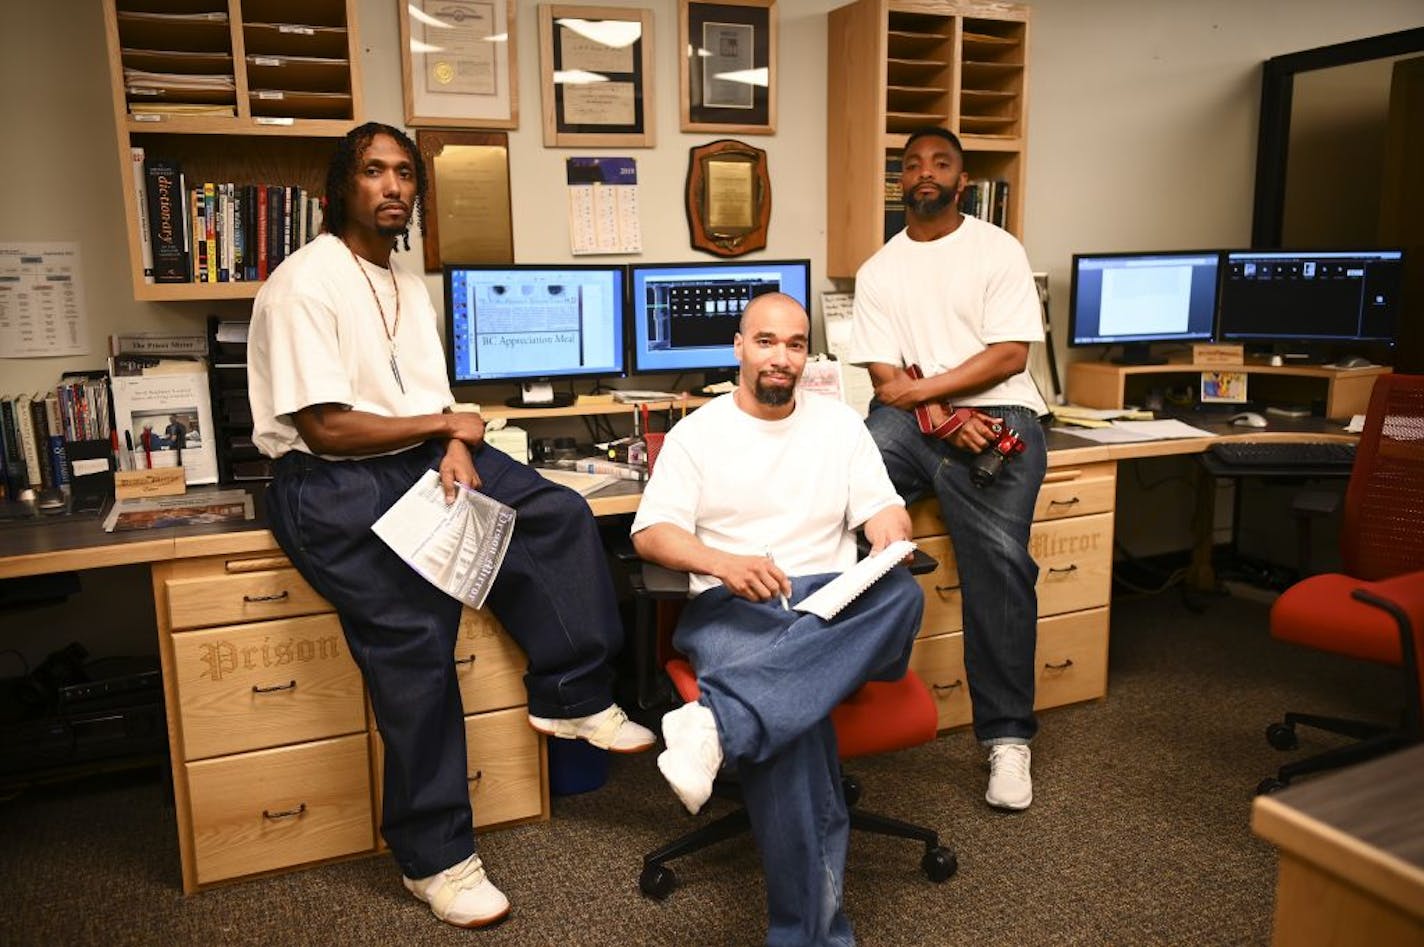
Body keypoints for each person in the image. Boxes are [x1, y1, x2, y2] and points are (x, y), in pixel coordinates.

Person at [247, 121, 655, 929]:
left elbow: (432, 408)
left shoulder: (403, 280)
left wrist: (455, 443)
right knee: (416, 640)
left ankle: (570, 691)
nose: (393, 187)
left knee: (555, 513)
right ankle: (434, 858)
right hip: (329, 481)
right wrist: (448, 428)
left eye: (404, 173)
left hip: (412, 453)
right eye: (373, 171)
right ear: (342, 187)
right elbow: (327, 428)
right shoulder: (304, 284)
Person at [631, 293, 925, 947]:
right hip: (736, 611)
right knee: (792, 728)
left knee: (903, 593)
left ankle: (721, 719)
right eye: (766, 341)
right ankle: (810, 936)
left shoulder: (840, 425)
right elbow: (651, 533)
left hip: (830, 607)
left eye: (794, 344)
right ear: (739, 346)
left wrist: (888, 530)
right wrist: (724, 563)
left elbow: (884, 509)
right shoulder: (698, 433)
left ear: (806, 355)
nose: (780, 357)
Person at [848, 125, 1048, 811]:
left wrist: (939, 400)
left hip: (1000, 415)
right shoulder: (879, 270)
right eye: (911, 164)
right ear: (898, 181)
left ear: (962, 182)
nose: (924, 173)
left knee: (997, 557)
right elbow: (884, 381)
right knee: (837, 501)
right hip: (916, 423)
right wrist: (940, 413)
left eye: (941, 163)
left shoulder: (997, 250)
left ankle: (1007, 739)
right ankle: (840, 690)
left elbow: (1007, 357)